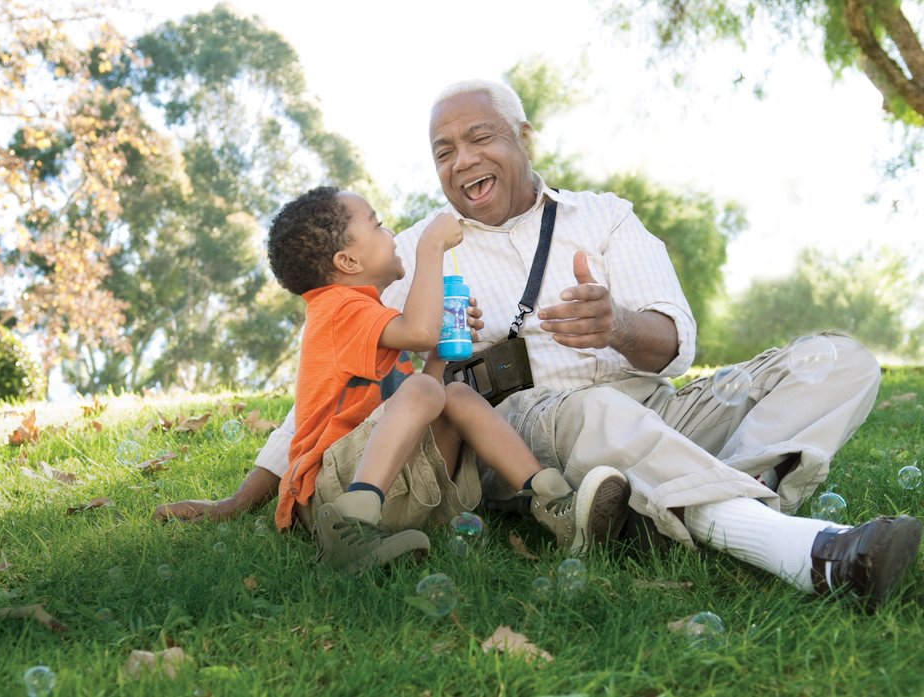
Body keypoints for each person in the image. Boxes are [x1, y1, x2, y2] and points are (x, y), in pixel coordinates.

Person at [161, 78, 919, 612]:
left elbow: (676, 343)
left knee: (837, 360)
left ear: (523, 137)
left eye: (479, 137)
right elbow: (331, 384)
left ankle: (677, 506)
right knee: (594, 411)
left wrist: (617, 324)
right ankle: (801, 549)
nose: (460, 161)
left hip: (657, 407)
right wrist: (241, 497)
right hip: (533, 426)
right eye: (442, 150)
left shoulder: (605, 217)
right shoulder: (424, 248)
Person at [262, 186, 630, 573]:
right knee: (421, 388)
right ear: (348, 261)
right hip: (327, 495)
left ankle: (553, 502)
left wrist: (443, 349)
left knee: (454, 394)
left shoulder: (368, 316)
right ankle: (351, 523)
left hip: (386, 484)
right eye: (379, 225)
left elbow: (429, 391)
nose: (391, 235)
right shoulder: (336, 307)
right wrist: (430, 247)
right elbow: (419, 333)